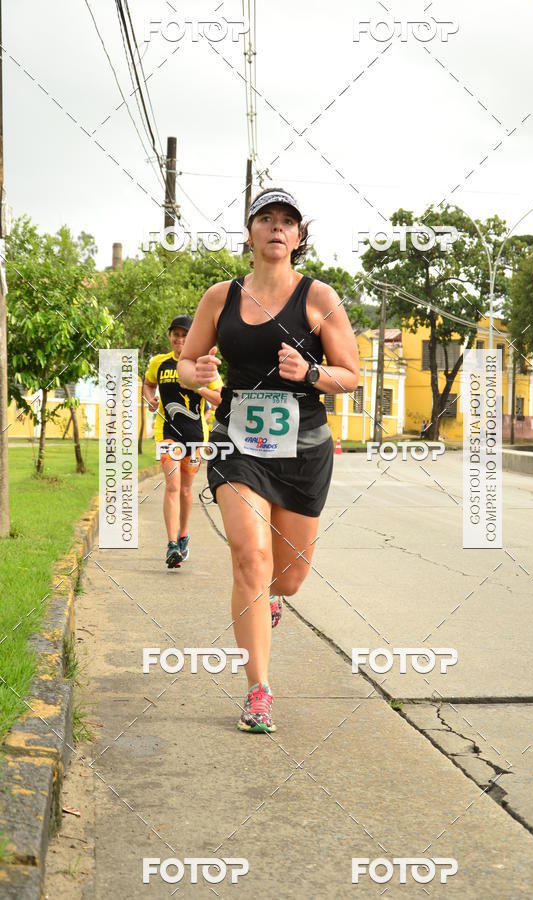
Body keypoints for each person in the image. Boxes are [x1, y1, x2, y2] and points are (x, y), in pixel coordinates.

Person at [178, 188, 360, 732]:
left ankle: (271, 600)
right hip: (238, 446)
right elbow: (187, 364)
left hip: (303, 449)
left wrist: (310, 372)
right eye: (267, 219)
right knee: (250, 559)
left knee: (289, 578)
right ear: (250, 231)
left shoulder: (319, 297)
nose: (277, 228)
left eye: (287, 221)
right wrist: (196, 372)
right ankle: (258, 690)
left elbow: (350, 377)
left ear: (299, 237)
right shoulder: (220, 297)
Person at [144, 315, 223, 568]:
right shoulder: (159, 362)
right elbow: (148, 384)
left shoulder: (202, 365)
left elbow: (220, 399)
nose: (179, 339)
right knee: (172, 486)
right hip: (167, 431)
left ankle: (183, 534)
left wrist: (197, 388)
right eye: (175, 334)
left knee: (186, 489)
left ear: (192, 338)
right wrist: (150, 400)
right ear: (170, 336)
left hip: (196, 435)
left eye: (185, 335)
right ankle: (171, 545)